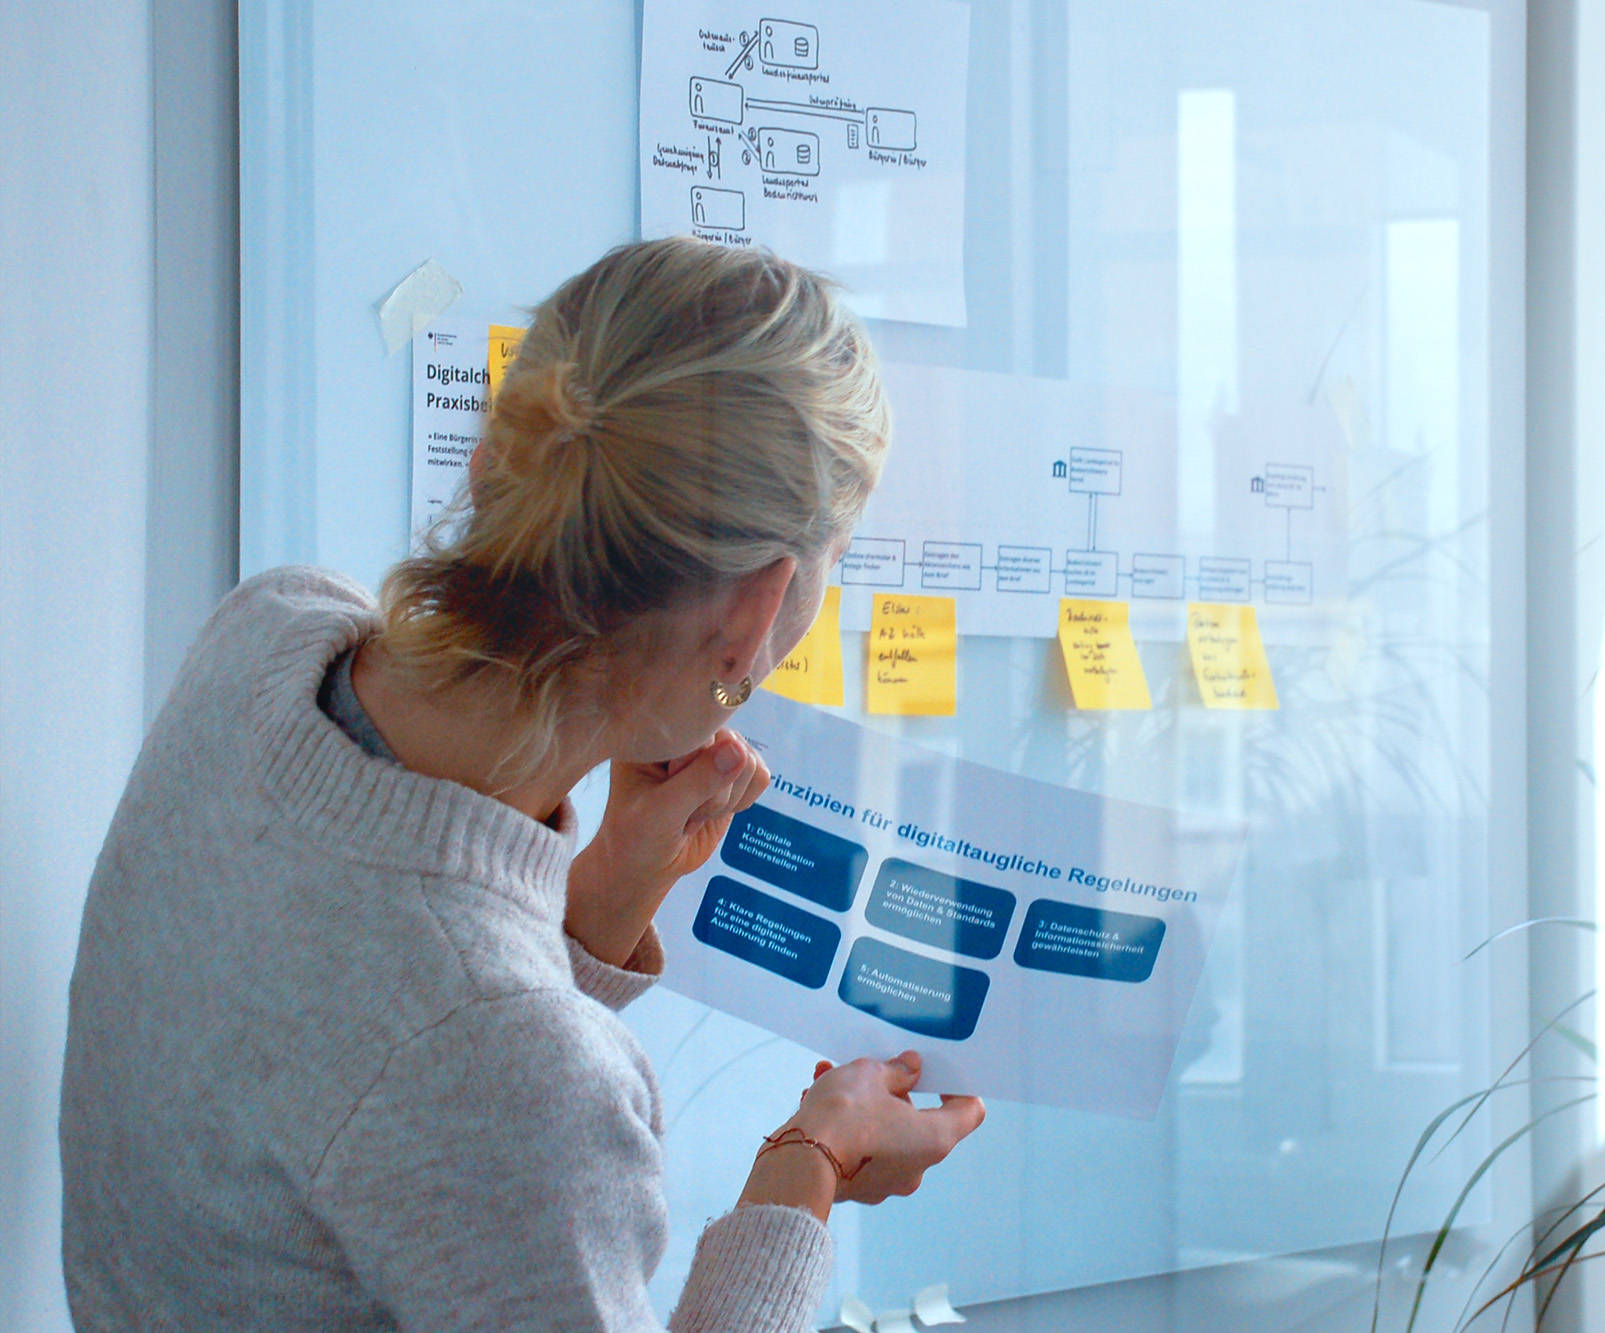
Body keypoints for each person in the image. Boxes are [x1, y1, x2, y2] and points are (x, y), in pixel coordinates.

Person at [59, 237, 985, 1331]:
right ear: (748, 620)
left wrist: (593, 905)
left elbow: (390, 1078)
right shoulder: (506, 1061)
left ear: (500, 445)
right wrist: (811, 1161)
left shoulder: (270, 633)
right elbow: (457, 1067)